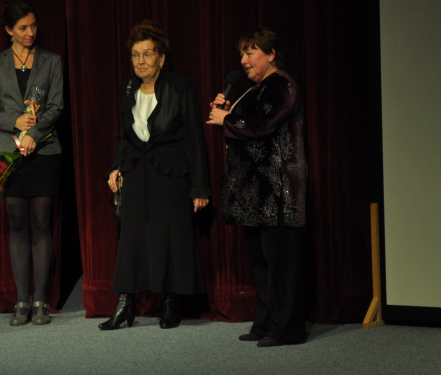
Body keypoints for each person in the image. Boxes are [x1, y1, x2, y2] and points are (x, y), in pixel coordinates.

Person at [100, 20, 211, 331]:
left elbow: (194, 137)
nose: (141, 61)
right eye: (135, 55)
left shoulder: (179, 86)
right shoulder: (126, 88)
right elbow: (124, 136)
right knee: (132, 238)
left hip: (172, 173)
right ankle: (125, 304)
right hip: (137, 172)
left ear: (161, 58)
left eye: (147, 54)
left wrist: (200, 186)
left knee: (172, 237)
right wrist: (115, 166)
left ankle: (171, 302)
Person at [207, 27, 308, 347]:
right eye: (242, 54)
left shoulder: (282, 85)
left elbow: (263, 125)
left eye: (250, 52)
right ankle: (265, 323)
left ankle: (287, 329)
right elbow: (243, 128)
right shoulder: (253, 89)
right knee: (261, 264)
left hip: (277, 190)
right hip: (255, 192)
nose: (243, 60)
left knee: (281, 266)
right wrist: (227, 112)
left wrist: (227, 119)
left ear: (271, 54)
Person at [0, 1, 63, 326]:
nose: (30, 33)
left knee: (41, 220)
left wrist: (35, 134)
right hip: (9, 151)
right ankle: (21, 300)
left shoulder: (51, 60)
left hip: (44, 150)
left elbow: (56, 106)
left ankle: (40, 300)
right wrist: (14, 123)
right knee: (17, 222)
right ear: (9, 30)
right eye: (23, 27)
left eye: (33, 26)